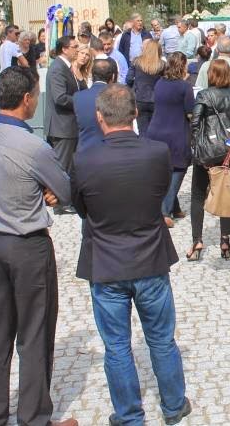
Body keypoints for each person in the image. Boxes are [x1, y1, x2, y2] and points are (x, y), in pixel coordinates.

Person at [70, 84, 192, 426]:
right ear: (135, 113)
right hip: (149, 257)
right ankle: (173, 405)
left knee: (117, 346)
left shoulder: (84, 160)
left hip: (106, 262)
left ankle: (129, 415)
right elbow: (160, 195)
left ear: (99, 117)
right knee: (161, 339)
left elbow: (81, 208)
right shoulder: (157, 152)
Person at [0, 67, 77, 426]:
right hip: (28, 246)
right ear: (27, 98)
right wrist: (45, 191)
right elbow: (65, 190)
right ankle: (34, 418)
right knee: (34, 334)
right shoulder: (34, 147)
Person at [188, 60, 230, 261]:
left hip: (207, 151)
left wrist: (197, 148)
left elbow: (195, 123)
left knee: (197, 195)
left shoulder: (204, 95)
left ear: (210, 74)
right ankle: (225, 240)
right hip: (228, 151)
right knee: (227, 193)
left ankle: (197, 240)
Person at [144, 52, 195, 228]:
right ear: (183, 66)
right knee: (178, 169)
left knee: (164, 169)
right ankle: (164, 212)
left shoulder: (159, 83)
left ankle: (175, 207)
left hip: (156, 130)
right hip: (175, 132)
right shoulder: (184, 86)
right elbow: (190, 112)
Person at [44, 35, 84, 210]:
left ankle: (67, 200)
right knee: (62, 167)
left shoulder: (67, 67)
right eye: (74, 46)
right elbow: (60, 98)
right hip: (62, 127)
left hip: (68, 126)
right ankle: (60, 204)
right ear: (64, 49)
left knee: (69, 166)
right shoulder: (58, 69)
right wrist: (81, 101)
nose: (77, 49)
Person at [74, 58, 118, 152]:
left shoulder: (78, 96)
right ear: (113, 77)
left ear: (91, 75)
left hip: (85, 150)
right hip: (111, 149)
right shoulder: (117, 97)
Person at [126, 40, 166, 135]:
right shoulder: (162, 65)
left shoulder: (136, 62)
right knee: (156, 129)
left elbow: (129, 79)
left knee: (142, 129)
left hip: (139, 98)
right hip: (156, 100)